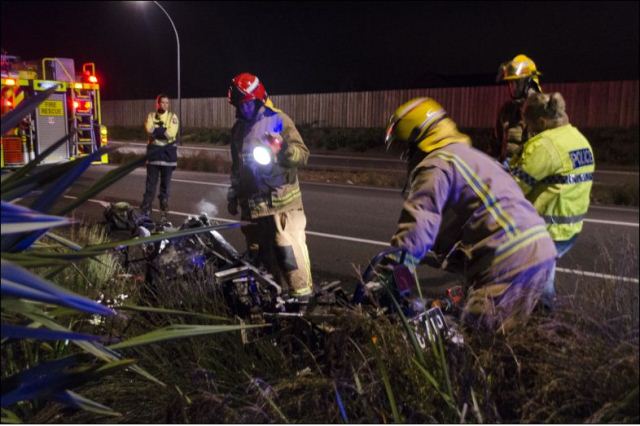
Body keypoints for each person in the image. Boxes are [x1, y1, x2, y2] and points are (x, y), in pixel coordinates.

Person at [384, 97, 558, 331]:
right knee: (525, 337)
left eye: (406, 149)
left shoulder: (435, 165)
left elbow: (418, 227)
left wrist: (391, 274)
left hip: (507, 260)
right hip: (540, 251)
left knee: (477, 343)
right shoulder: (470, 157)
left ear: (418, 139)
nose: (407, 158)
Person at [226, 72, 314, 299]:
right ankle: (274, 308)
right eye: (239, 104)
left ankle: (305, 303)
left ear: (257, 99)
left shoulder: (279, 120)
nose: (243, 108)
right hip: (253, 210)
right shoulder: (237, 131)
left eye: (246, 103)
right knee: (261, 263)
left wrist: (284, 149)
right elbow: (236, 168)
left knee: (288, 254)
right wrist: (233, 195)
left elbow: (303, 155)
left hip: (281, 208)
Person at [511, 92, 594, 261]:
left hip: (546, 232)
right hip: (570, 229)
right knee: (539, 280)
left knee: (532, 283)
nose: (529, 129)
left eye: (529, 124)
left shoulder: (545, 146)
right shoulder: (578, 139)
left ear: (541, 122)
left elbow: (513, 188)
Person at [492, 54, 543, 165]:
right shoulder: (507, 110)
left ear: (529, 82)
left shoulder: (544, 112)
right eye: (510, 83)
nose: (513, 88)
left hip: (530, 175)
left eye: (517, 83)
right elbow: (495, 144)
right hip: (507, 174)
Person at [140, 94, 179, 222]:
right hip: (153, 156)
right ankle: (146, 209)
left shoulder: (173, 117)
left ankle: (163, 209)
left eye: (167, 103)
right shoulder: (150, 116)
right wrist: (161, 132)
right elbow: (149, 130)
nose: (164, 105)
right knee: (150, 186)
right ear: (157, 104)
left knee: (165, 186)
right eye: (162, 103)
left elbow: (170, 134)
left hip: (168, 157)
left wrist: (157, 132)